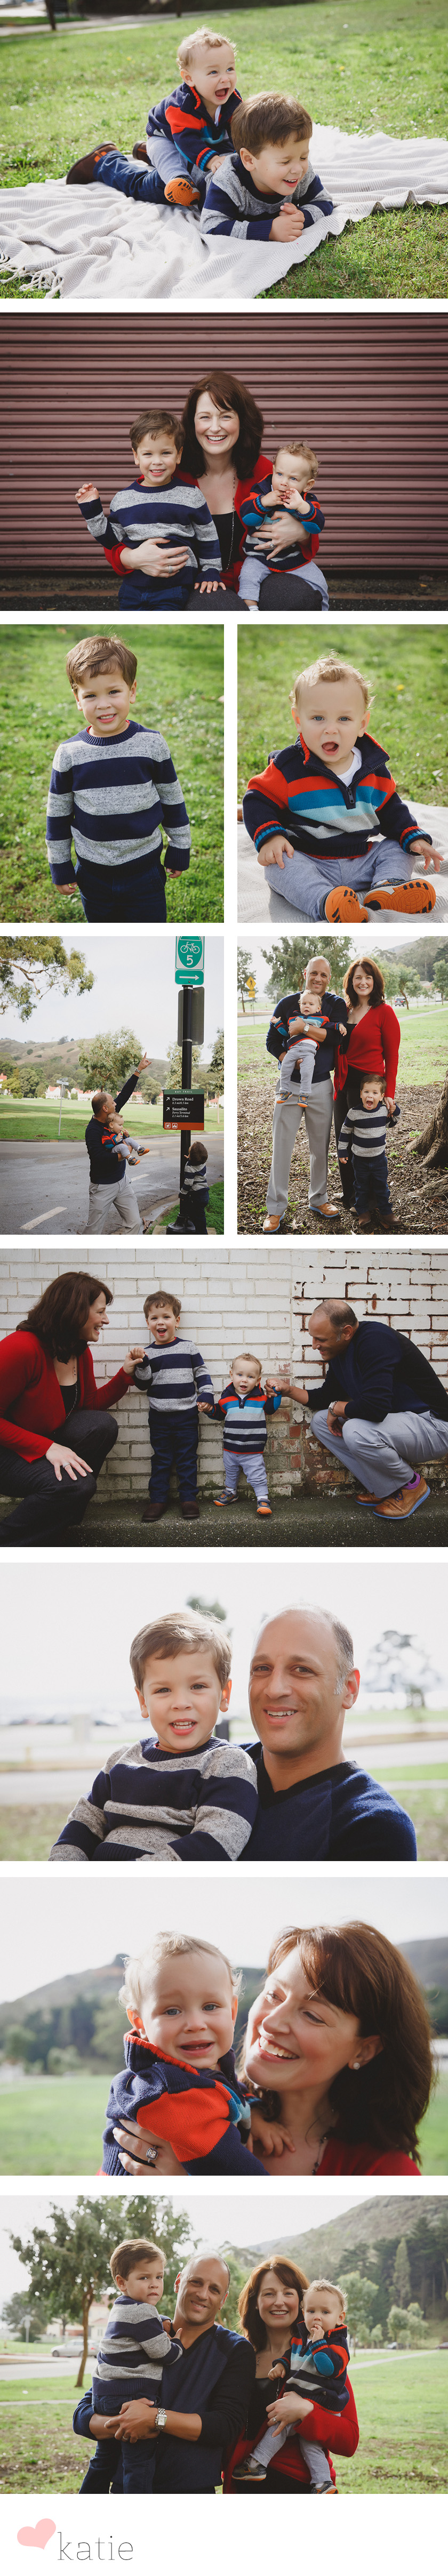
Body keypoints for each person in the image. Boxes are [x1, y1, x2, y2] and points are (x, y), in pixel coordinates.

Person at [243, 650, 444, 920]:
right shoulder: (289, 768)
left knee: (399, 847)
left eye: (344, 719)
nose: (331, 729)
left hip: (362, 859)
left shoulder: (374, 769)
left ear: (362, 724)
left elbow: (392, 809)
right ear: (298, 720)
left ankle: (387, 887)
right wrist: (271, 836)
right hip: (309, 858)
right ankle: (326, 902)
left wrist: (414, 836)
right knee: (278, 866)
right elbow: (257, 799)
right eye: (318, 718)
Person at [49, 1608, 258, 1863]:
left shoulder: (227, 1764)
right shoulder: (123, 1760)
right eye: (163, 1690)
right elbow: (83, 1823)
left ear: (224, 1695)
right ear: (143, 1701)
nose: (181, 1703)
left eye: (198, 1686)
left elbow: (214, 1845)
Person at [238, 1921, 433, 2175]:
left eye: (312, 2015)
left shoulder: (386, 2172)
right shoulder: (188, 2105)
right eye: (274, 1995)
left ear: (364, 2051)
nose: (271, 2022)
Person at [100, 1932, 287, 2177]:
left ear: (232, 2012)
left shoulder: (205, 2068)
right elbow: (227, 2163)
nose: (196, 2024)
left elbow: (228, 2091)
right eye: (172, 2011)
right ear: (140, 2022)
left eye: (210, 2007)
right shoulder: (165, 2088)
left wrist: (254, 2112)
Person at [239, 1605, 418, 1858]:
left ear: (349, 1689)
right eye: (262, 1669)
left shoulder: (372, 1826)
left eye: (302, 1669)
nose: (274, 1689)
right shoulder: (211, 1770)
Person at [74, 2253, 256, 2495]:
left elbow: (226, 2426)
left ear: (223, 2300)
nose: (203, 2294)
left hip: (191, 2493)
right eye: (196, 2282)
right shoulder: (139, 2330)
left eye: (214, 2290)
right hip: (124, 2488)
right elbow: (84, 2413)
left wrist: (154, 2418)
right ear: (178, 2282)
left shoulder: (234, 2350)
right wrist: (126, 2422)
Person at [46, 633, 190, 924]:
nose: (103, 705)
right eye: (90, 696)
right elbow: (58, 815)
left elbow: (172, 799)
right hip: (92, 872)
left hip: (145, 870)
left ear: (132, 691)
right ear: (78, 698)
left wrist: (180, 846)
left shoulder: (152, 744)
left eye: (113, 692)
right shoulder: (69, 754)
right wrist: (60, 865)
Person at [0, 1269, 142, 1549]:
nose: (106, 1319)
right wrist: (47, 1448)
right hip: (6, 1452)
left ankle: (63, 1513)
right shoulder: (20, 1348)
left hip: (36, 1442)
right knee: (77, 1485)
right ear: (75, 1311)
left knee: (102, 1426)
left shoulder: (79, 1351)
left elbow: (89, 1407)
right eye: (100, 1311)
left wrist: (124, 1375)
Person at [290, 1294, 448, 1522]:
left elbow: (375, 1409)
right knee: (320, 1422)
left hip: (433, 1426)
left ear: (346, 1332)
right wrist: (288, 1391)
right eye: (313, 1338)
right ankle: (388, 1488)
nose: (315, 1346)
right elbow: (326, 1397)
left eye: (320, 1339)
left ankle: (411, 1485)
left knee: (355, 1429)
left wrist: (337, 1408)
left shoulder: (375, 1341)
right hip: (402, 1424)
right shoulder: (339, 1351)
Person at [181, 369, 326, 610]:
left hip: (259, 570)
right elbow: (130, 521)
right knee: (223, 612)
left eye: (226, 416)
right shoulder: (172, 470)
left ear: (242, 420)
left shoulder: (266, 472)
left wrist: (302, 533)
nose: (215, 428)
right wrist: (128, 557)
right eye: (205, 417)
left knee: (299, 599)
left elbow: (311, 521)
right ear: (192, 422)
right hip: (200, 583)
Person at [66, 27, 239, 212]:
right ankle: (105, 161)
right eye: (214, 72)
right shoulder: (182, 107)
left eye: (230, 69)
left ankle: (147, 154)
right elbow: (187, 141)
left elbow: (237, 132)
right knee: (172, 170)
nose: (225, 79)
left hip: (201, 140)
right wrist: (212, 160)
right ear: (189, 78)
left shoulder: (232, 100)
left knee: (224, 153)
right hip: (166, 138)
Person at [225, 2259, 359, 2495]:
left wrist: (307, 2412)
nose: (279, 2301)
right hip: (242, 2484)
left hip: (298, 2486)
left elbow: (349, 2441)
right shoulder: (239, 2356)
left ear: (301, 2301)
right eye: (269, 2294)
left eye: (288, 2293)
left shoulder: (320, 2358)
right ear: (256, 2302)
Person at [75, 409, 222, 613]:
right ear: (136, 456)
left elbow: (208, 536)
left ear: (178, 455)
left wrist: (211, 570)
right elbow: (111, 540)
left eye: (166, 453)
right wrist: (91, 510)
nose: (157, 461)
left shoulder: (191, 495)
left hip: (175, 587)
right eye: (148, 454)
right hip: (133, 587)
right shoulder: (123, 499)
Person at [87, 2238, 180, 2496]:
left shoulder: (122, 2307)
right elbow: (165, 2354)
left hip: (105, 2396)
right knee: (138, 2464)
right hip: (130, 2398)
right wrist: (178, 2342)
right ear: (121, 2282)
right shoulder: (143, 2312)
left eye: (159, 2277)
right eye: (144, 2278)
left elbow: (144, 2325)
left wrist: (161, 2320)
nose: (154, 2284)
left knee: (103, 2461)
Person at [262, 953, 347, 1232]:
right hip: (290, 1087)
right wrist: (287, 1057)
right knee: (282, 1147)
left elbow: (335, 1037)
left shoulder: (335, 1004)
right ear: (305, 973)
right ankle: (275, 1209)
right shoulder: (287, 1003)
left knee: (320, 1148)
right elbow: (272, 1039)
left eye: (324, 975)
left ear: (329, 978)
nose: (319, 979)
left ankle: (319, 1198)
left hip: (322, 1084)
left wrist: (304, 1028)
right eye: (314, 973)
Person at [201, 96, 334, 246]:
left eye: (303, 157)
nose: (298, 169)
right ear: (250, 160)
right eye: (285, 162)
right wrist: (270, 230)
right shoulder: (229, 181)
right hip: (201, 176)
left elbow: (324, 201)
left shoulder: (300, 171)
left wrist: (301, 218)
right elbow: (210, 227)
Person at [133, 1285, 214, 1523]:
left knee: (187, 1459)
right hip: (159, 1417)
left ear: (176, 1321)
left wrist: (207, 1395)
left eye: (166, 1317)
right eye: (154, 1318)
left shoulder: (188, 1347)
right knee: (161, 1460)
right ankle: (158, 1499)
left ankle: (188, 1498)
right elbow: (143, 1384)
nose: (161, 1322)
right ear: (148, 1323)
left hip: (187, 1416)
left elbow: (202, 1373)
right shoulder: (147, 1354)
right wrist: (141, 1364)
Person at [332, 954, 401, 1210]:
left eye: (368, 977)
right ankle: (350, 1193)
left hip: (368, 1087)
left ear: (375, 981)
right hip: (342, 1084)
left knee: (366, 1145)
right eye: (358, 977)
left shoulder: (384, 1012)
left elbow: (392, 1057)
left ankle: (370, 1199)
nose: (363, 982)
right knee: (344, 1139)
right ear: (351, 982)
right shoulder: (345, 1010)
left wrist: (389, 1094)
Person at [238, 439, 329, 611]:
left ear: (308, 485)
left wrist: (302, 507)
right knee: (248, 576)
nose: (284, 482)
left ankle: (324, 611)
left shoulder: (307, 502)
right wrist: (264, 502)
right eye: (280, 474)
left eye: (293, 478)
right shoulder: (261, 491)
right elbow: (248, 518)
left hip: (294, 560)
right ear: (273, 471)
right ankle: (251, 609)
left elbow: (316, 527)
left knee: (319, 581)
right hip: (259, 558)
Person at [85, 1051, 152, 1236]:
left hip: (122, 1182)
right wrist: (125, 1153)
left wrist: (138, 1070)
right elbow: (98, 1157)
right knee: (93, 1231)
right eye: (112, 1103)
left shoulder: (111, 1118)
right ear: (105, 1109)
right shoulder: (93, 1130)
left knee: (134, 1225)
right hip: (103, 1187)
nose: (116, 1103)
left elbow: (124, 1094)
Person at [213, 1349, 282, 1516]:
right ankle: (231, 1492)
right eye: (240, 1375)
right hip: (230, 1448)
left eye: (250, 1377)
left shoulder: (261, 1398)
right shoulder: (226, 1398)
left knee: (257, 1475)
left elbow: (271, 1409)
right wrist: (209, 1409)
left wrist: (277, 1394)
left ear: (258, 1380)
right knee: (231, 1473)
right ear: (232, 1375)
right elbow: (219, 1414)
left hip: (252, 1450)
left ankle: (263, 1498)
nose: (244, 1380)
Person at [338, 1073, 395, 1230]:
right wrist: (342, 1151)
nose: (370, 1096)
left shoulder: (383, 1111)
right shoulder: (354, 1113)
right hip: (360, 1160)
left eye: (375, 1093)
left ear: (382, 1096)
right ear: (361, 1094)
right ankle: (363, 1212)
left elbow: (392, 1123)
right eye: (367, 1092)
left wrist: (395, 1110)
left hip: (379, 1159)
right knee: (361, 1187)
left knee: (382, 1187)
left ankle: (386, 1211)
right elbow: (345, 1132)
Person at [167, 1140, 210, 1235]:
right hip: (205, 1194)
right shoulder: (202, 1163)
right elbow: (196, 1166)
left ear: (190, 1155)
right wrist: (190, 1159)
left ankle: (203, 1234)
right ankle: (201, 1231)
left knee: (198, 1218)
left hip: (197, 1196)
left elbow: (188, 1183)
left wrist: (182, 1194)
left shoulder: (189, 1167)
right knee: (199, 1215)